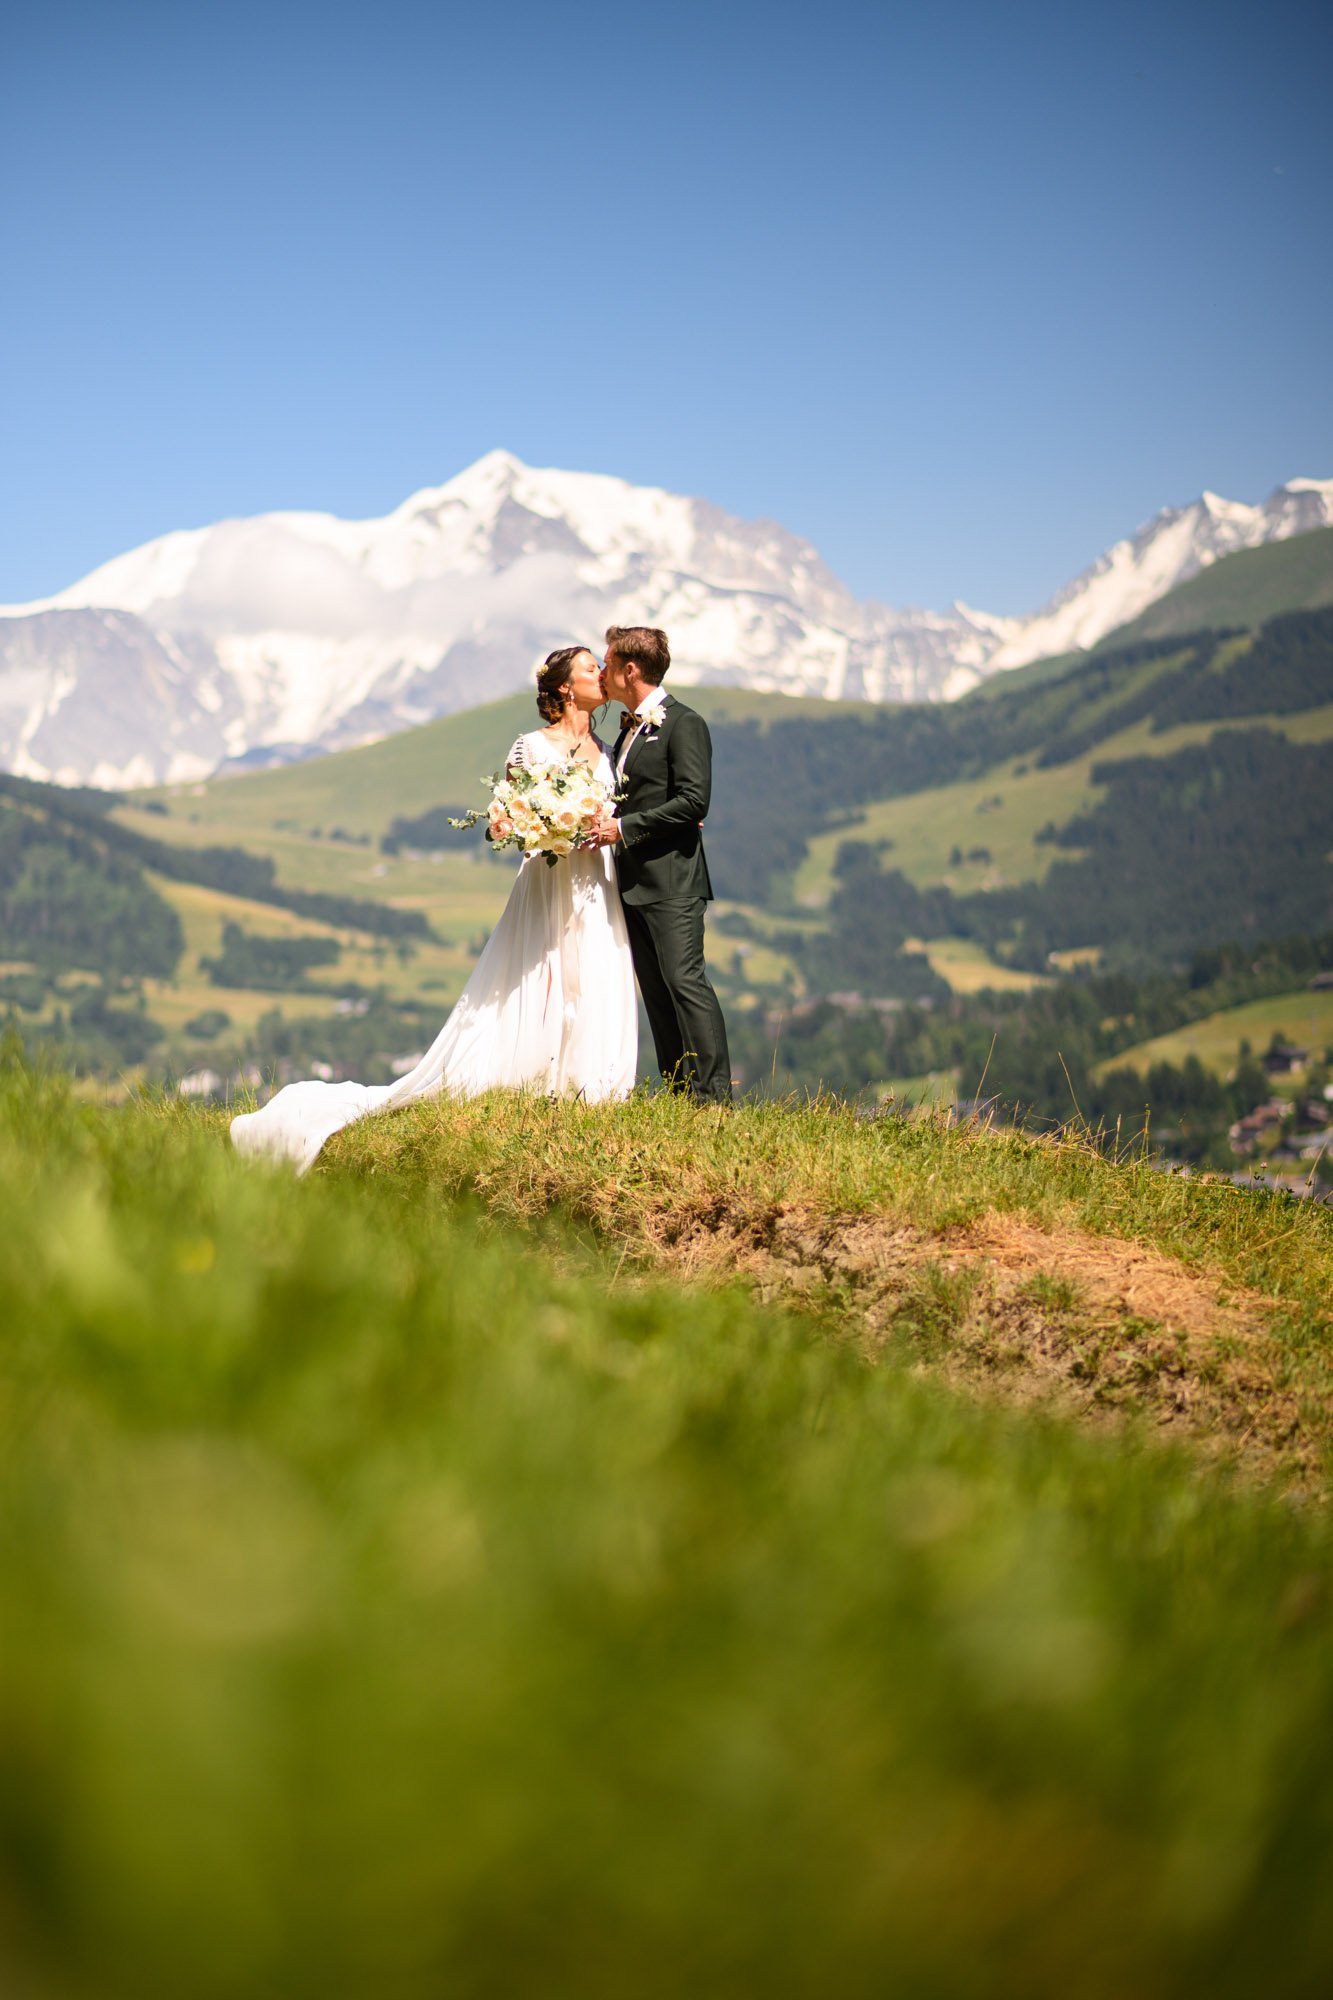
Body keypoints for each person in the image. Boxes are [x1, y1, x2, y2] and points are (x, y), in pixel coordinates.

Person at [230, 645, 637, 1172]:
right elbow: (505, 819)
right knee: (540, 978)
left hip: (594, 883)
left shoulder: (609, 750)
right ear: (564, 687)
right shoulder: (530, 747)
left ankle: (590, 1088)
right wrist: (526, 825)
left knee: (594, 975)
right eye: (590, 668)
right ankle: (536, 1080)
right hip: (548, 880)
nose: (601, 675)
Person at [590, 625, 732, 1103]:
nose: (602, 672)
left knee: (685, 983)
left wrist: (625, 829)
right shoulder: (627, 728)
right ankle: (678, 1094)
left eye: (607, 664)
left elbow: (695, 801)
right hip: (632, 883)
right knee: (656, 992)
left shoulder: (683, 722)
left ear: (630, 669)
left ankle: (714, 1098)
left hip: (673, 880)